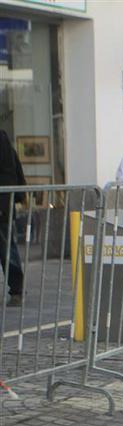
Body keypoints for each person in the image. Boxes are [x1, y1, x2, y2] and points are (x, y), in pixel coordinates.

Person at [0, 130, 25, 307]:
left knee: (7, 248)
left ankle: (17, 290)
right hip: (4, 205)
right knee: (7, 247)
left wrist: (4, 205)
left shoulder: (2, 142)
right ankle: (16, 289)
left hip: (2, 206)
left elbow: (10, 174)